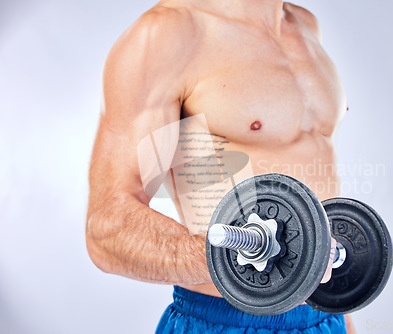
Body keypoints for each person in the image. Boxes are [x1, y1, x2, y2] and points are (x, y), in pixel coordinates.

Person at [86, 0, 355, 332]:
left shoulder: (305, 25)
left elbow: (320, 214)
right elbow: (108, 227)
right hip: (221, 319)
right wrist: (238, 256)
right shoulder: (169, 33)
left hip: (325, 316)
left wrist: (339, 314)